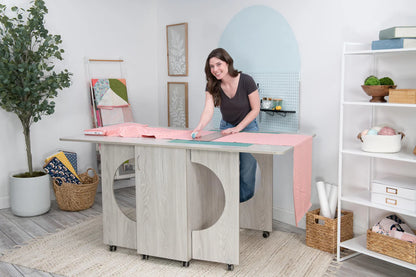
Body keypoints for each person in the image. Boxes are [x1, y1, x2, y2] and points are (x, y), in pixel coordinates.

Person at [192, 48, 260, 202]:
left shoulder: (246, 81)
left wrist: (238, 128)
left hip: (248, 128)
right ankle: (228, 206)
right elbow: (208, 109)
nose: (215, 69)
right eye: (212, 66)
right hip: (226, 127)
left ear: (228, 62)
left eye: (218, 64)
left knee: (247, 171)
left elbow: (256, 109)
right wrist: (199, 127)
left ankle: (243, 208)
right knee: (226, 168)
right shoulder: (212, 85)